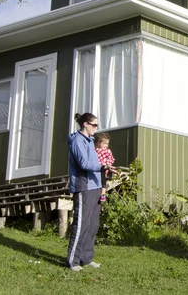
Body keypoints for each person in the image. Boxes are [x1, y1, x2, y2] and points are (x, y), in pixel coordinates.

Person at [67, 112, 112, 272]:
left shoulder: (91, 141)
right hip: (83, 186)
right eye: (94, 125)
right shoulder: (77, 141)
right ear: (85, 124)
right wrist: (102, 166)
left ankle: (86, 258)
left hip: (95, 187)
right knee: (81, 225)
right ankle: (73, 261)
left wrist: (106, 169)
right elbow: (84, 163)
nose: (96, 128)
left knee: (92, 225)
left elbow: (97, 162)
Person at [94, 132, 115, 203]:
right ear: (98, 143)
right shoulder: (94, 150)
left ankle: (103, 194)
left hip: (103, 168)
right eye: (104, 143)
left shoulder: (107, 151)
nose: (106, 145)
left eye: (107, 144)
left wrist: (107, 164)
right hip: (95, 169)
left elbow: (111, 159)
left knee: (103, 181)